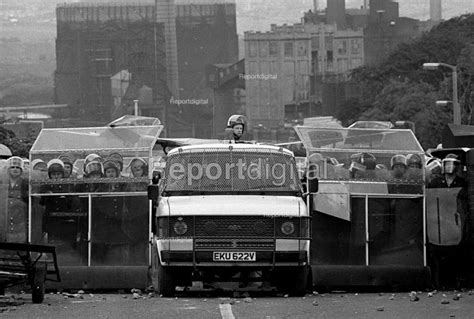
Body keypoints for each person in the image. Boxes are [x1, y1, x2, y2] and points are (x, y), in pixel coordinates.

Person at [427, 153, 468, 289]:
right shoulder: (436, 183)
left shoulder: (462, 183)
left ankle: (454, 283)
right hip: (439, 222)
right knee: (440, 255)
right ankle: (440, 284)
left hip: (454, 222)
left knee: (454, 254)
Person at [2, 156, 28, 242]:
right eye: (12, 167)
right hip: (6, 215)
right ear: (8, 169)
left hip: (20, 216)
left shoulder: (25, 182)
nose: (15, 169)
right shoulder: (3, 182)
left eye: (18, 167)